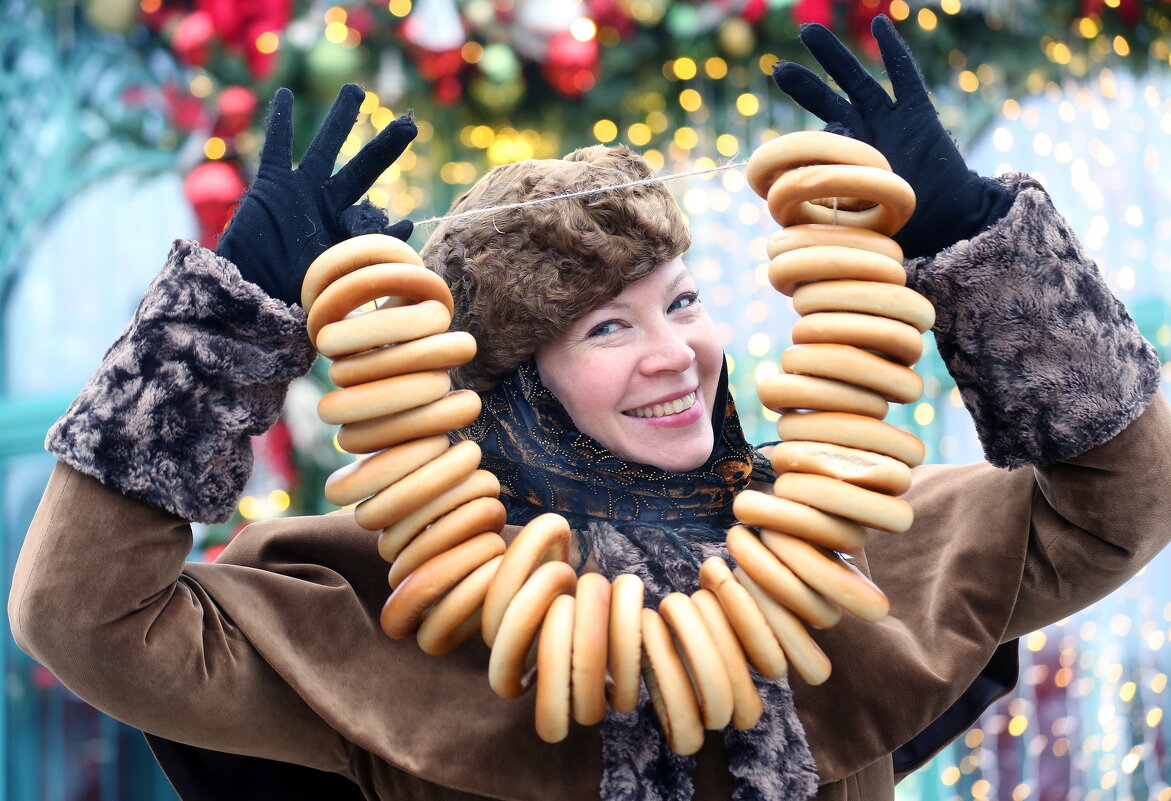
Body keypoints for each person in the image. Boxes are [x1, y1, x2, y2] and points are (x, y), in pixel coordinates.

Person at [9, 15, 1171, 801]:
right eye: (605, 329)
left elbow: (1118, 504)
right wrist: (222, 324)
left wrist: (974, 242)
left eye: (680, 302)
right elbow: (84, 616)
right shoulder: (394, 600)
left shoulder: (842, 542)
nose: (675, 356)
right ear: (513, 383)